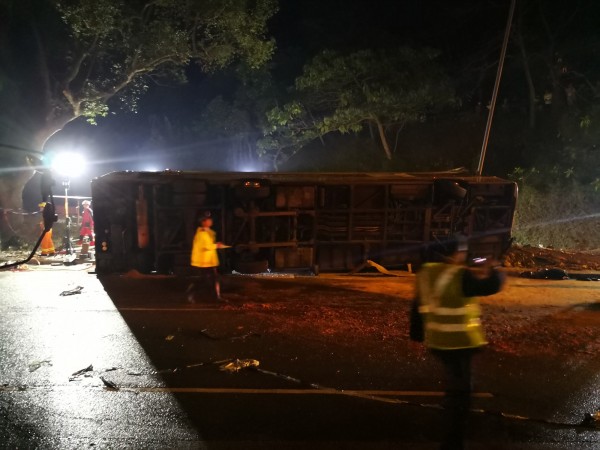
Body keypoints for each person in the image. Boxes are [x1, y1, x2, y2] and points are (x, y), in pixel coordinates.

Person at [415, 236, 505, 449]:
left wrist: (417, 334)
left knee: (455, 384)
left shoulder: (426, 272)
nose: (464, 255)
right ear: (454, 253)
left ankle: (452, 412)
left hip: (438, 340)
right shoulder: (459, 275)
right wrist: (496, 270)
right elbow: (490, 286)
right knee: (461, 393)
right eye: (462, 251)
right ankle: (452, 440)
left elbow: (417, 305)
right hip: (460, 341)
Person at [188, 211, 225, 302]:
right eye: (208, 220)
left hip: (209, 261)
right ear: (203, 222)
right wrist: (216, 245)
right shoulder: (201, 234)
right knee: (204, 280)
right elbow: (206, 246)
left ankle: (217, 296)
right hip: (203, 262)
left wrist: (216, 245)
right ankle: (191, 292)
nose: (211, 221)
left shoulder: (209, 232)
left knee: (214, 278)